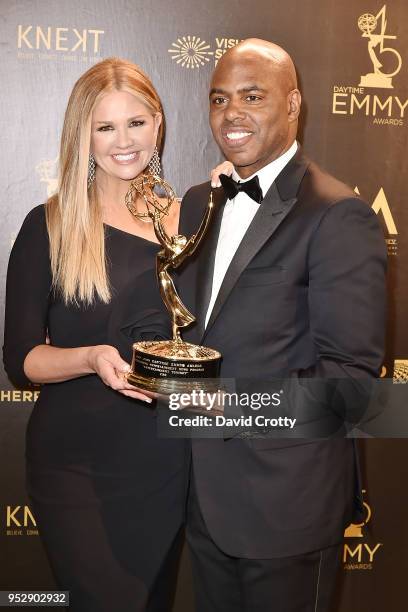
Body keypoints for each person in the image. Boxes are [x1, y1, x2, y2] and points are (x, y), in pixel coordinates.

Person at [3, 57, 227, 612]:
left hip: (167, 461)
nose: (123, 141)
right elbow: (21, 360)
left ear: (159, 123)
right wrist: (91, 357)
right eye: (104, 127)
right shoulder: (50, 224)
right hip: (78, 465)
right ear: (83, 135)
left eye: (136, 122)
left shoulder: (191, 222)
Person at [178, 39, 387, 612]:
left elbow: (351, 383)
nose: (231, 114)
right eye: (219, 99)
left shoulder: (337, 214)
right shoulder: (200, 202)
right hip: (202, 496)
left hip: (286, 506)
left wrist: (231, 405)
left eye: (252, 96)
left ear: (293, 104)